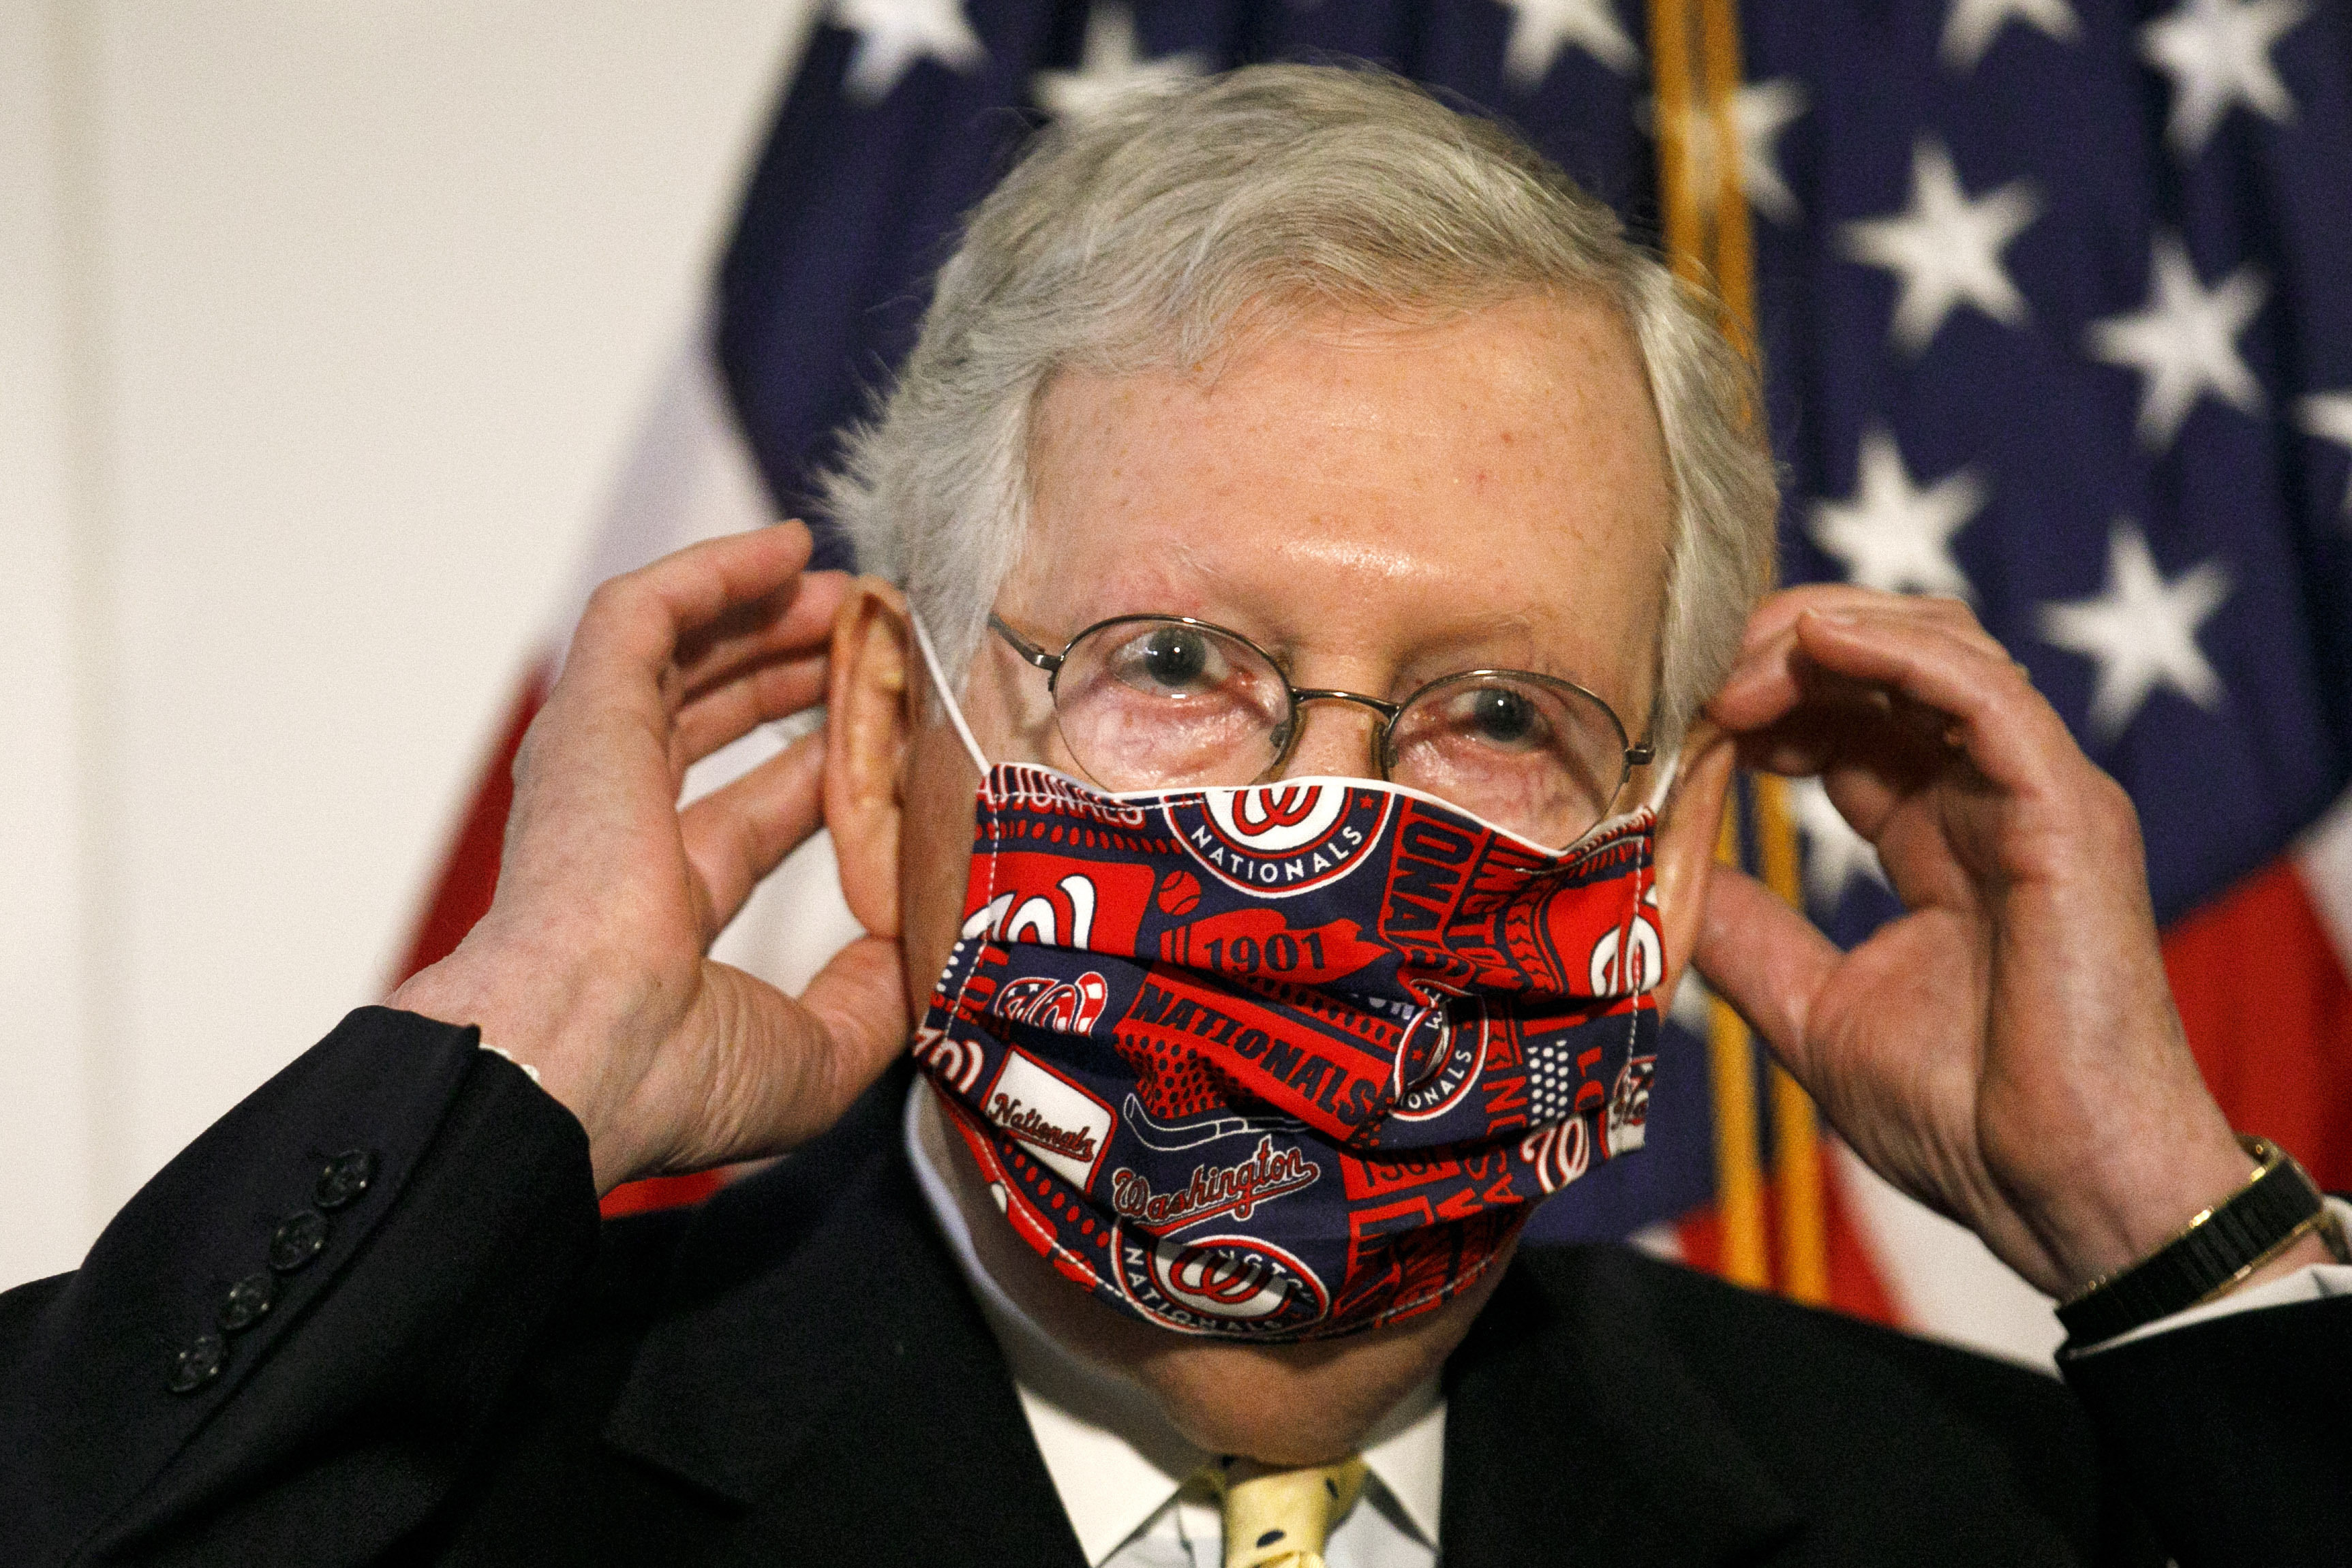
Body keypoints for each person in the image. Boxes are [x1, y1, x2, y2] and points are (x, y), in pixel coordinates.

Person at [3, 65, 2347, 1568]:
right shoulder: (427, 1483)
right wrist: (515, 1048)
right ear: (876, 741)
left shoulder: (1977, 1519)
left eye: (1494, 710)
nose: (1319, 824)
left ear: (1655, 842)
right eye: (1171, 665)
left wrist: (2163, 1236)